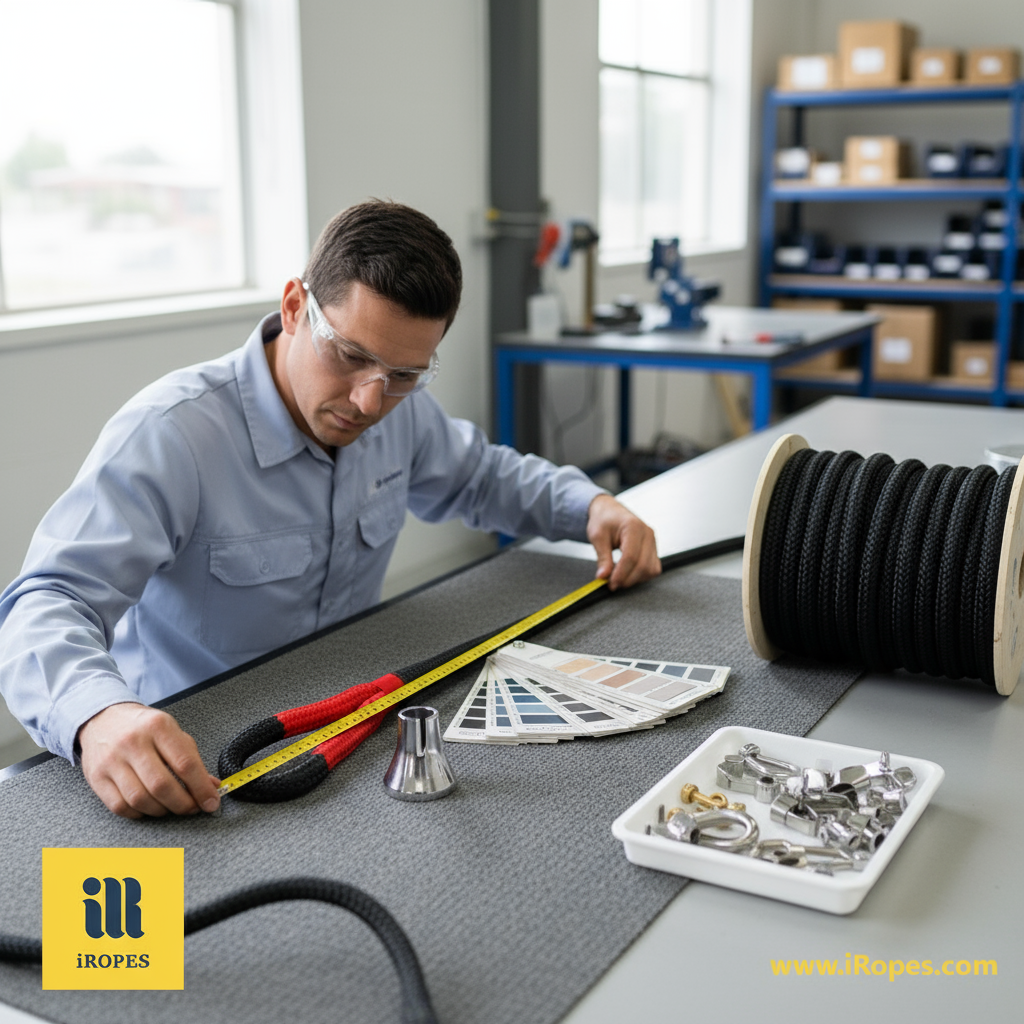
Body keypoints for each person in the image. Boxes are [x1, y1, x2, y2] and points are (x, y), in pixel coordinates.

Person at [0, 200, 661, 820]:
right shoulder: (172, 434)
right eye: (350, 356)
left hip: (350, 728)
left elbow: (482, 477)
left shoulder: (394, 413)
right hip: (193, 753)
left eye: (404, 376)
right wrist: (99, 717)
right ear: (294, 307)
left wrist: (592, 506)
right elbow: (49, 600)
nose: (371, 402)